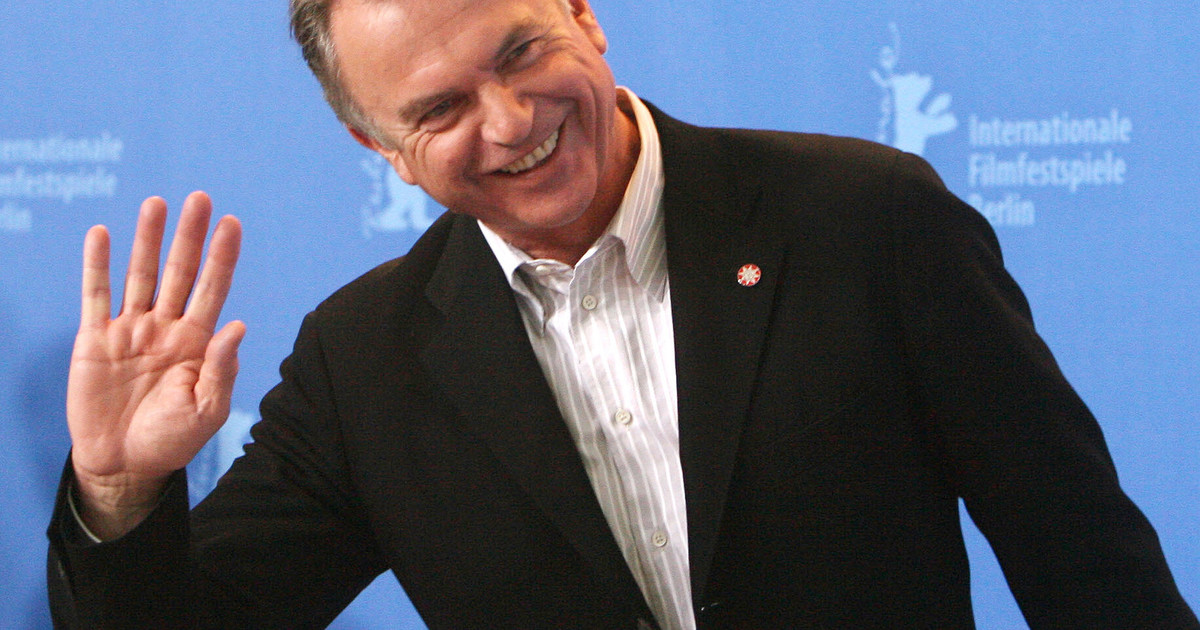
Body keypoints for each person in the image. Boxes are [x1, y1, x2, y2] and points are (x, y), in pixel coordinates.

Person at [46, 0, 1198, 628]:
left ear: (584, 15)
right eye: (440, 109)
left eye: (521, 52)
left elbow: (1085, 561)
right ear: (378, 146)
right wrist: (120, 491)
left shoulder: (867, 219)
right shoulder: (362, 361)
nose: (509, 121)